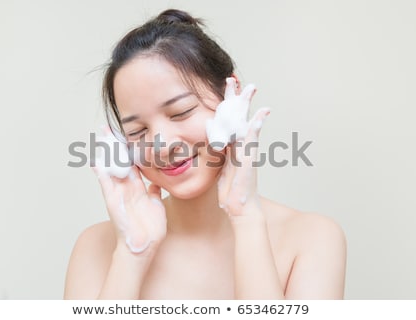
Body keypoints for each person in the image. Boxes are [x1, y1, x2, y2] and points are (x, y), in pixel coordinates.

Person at [63, 9, 346, 300]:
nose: (162, 146)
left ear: (230, 96)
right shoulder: (95, 248)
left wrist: (246, 217)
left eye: (181, 112)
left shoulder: (311, 239)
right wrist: (132, 255)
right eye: (137, 131)